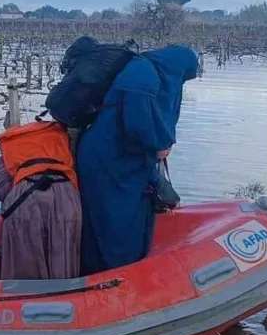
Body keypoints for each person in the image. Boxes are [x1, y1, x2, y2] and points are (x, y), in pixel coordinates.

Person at [76, 44, 199, 276]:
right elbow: (136, 125)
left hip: (124, 159)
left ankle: (122, 267)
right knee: (112, 218)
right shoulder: (142, 77)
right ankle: (111, 272)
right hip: (109, 159)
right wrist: (157, 147)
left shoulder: (150, 72)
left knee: (128, 214)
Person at [0, 120, 82, 280]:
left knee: (24, 264)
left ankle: (22, 299)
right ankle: (63, 298)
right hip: (65, 197)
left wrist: (16, 189)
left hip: (24, 199)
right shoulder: (62, 140)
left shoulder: (12, 143)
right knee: (63, 257)